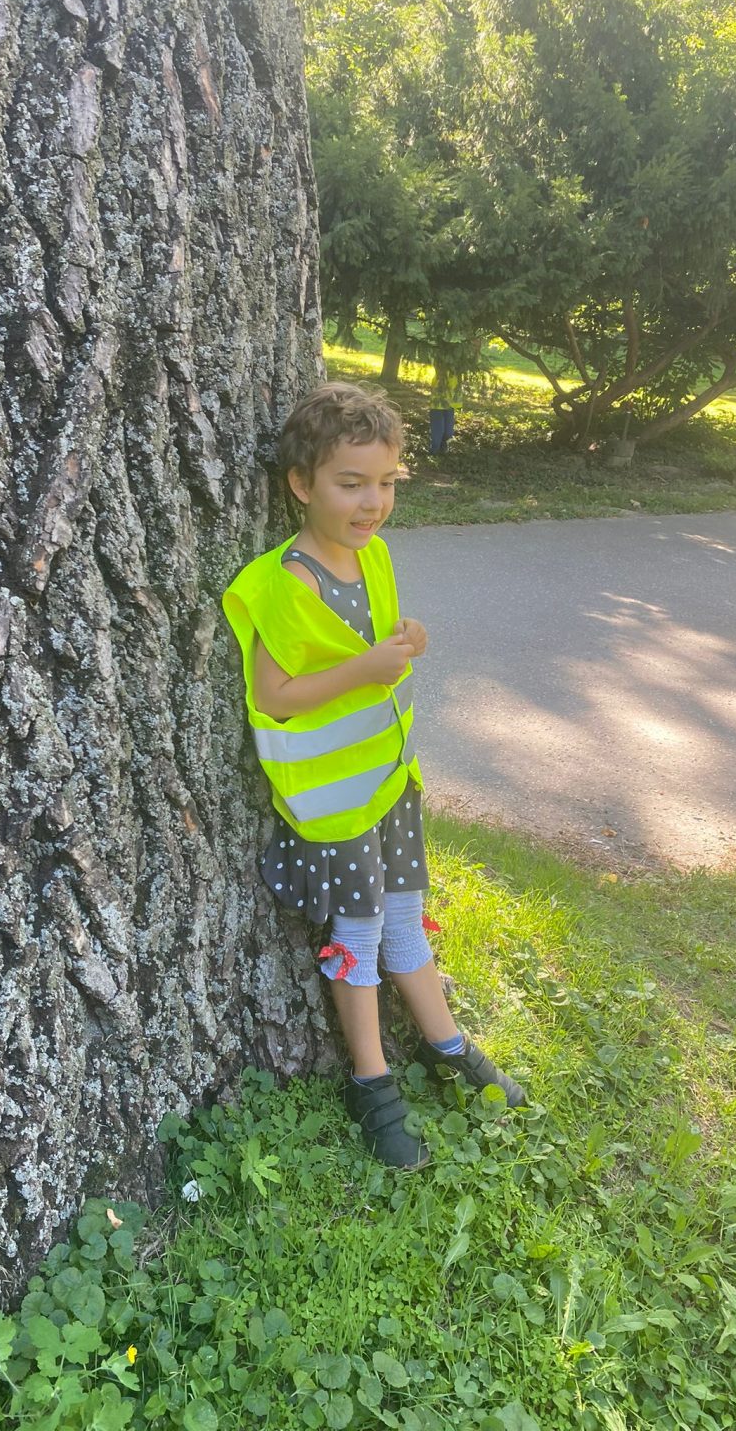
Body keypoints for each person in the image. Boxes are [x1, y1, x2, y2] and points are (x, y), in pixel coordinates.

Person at [223, 382, 525, 1170]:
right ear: (301, 484)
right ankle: (370, 1079)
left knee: (405, 917)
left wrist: (405, 637)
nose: (373, 503)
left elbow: (379, 641)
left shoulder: (373, 556)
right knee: (357, 933)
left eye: (387, 483)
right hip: (334, 802)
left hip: (390, 782)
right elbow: (274, 696)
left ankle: (446, 1043)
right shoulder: (286, 583)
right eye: (351, 483)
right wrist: (364, 668)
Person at [428, 351, 463, 454]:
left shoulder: (458, 367)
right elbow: (434, 357)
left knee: (448, 432)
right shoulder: (440, 367)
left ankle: (442, 450)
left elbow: (472, 357)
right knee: (437, 433)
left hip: (450, 405)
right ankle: (434, 452)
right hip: (438, 405)